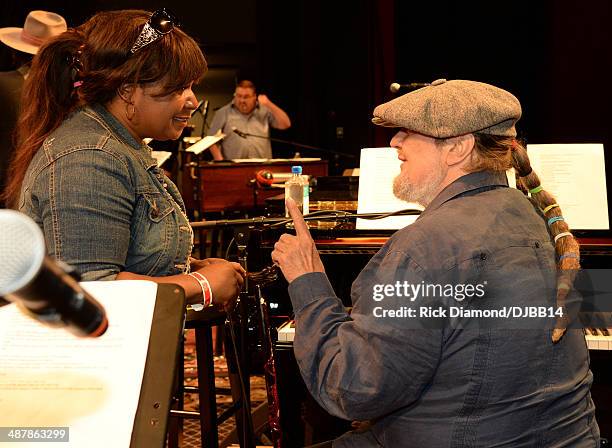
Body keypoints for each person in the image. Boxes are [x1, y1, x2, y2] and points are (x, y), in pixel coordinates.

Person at [271, 79, 599, 447]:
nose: (394, 142)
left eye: (408, 132)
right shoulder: (537, 217)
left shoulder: (423, 247)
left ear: (458, 148)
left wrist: (309, 279)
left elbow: (353, 390)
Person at [2, 9, 245, 309]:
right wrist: (201, 285)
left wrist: (188, 266)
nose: (193, 101)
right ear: (128, 91)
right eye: (179, 87)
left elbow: (122, 252)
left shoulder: (115, 147)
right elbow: (93, 291)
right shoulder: (89, 158)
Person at [0, 10, 67, 207]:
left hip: (7, 188)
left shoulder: (4, 85)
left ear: (14, 53)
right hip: (51, 189)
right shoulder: (75, 94)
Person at [208, 79, 291, 160]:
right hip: (233, 167)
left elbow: (285, 124)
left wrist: (269, 104)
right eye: (239, 96)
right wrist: (220, 161)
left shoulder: (264, 110)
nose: (242, 100)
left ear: (255, 96)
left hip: (262, 165)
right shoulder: (223, 112)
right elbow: (210, 139)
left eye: (246, 97)